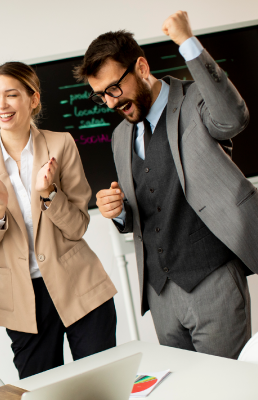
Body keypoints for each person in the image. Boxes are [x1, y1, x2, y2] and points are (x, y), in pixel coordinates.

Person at [79, 11, 257, 358]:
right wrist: (115, 212)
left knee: (227, 389)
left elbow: (232, 118)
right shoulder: (119, 137)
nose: (111, 102)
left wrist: (188, 43)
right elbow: (141, 212)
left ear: (142, 68)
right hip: (160, 295)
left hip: (213, 280)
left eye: (114, 88)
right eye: (102, 95)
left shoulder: (194, 101)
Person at [0, 61, 117, 379]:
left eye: (11, 95)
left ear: (33, 99)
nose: (1, 105)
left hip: (81, 286)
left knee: (102, 385)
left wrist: (50, 196)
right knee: (43, 392)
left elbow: (78, 226)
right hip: (21, 301)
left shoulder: (61, 144)